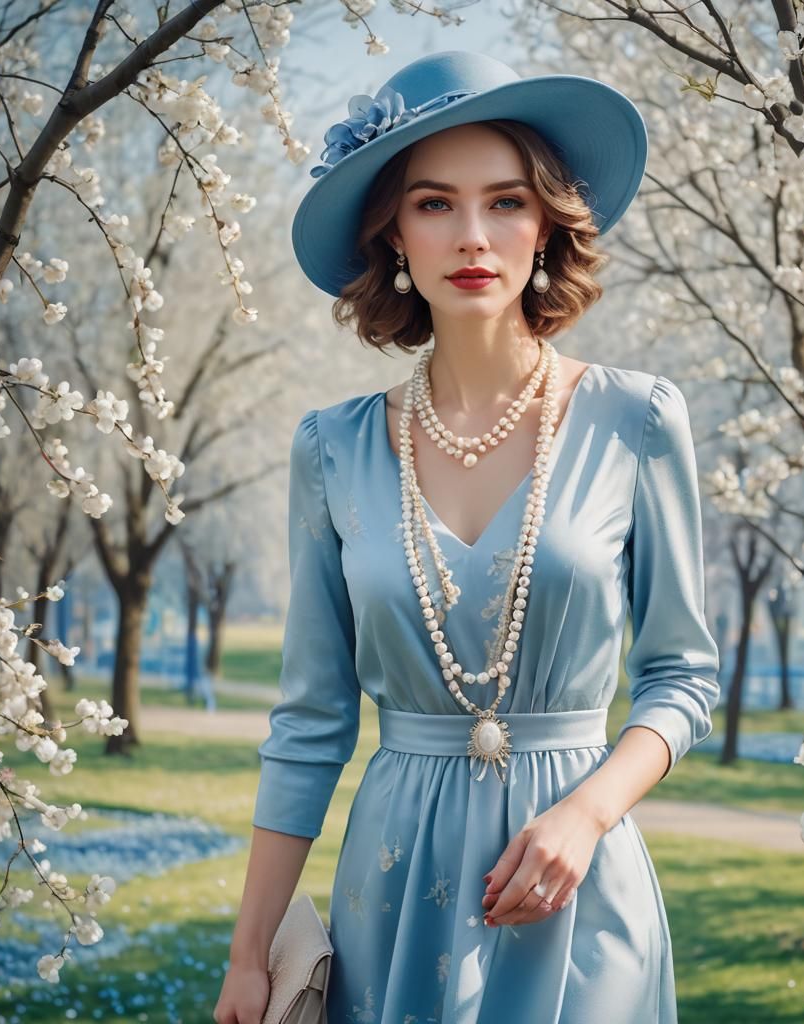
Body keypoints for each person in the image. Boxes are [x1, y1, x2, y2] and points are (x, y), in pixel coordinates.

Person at [214, 50, 720, 1024]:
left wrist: (588, 813)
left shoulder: (638, 418)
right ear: (394, 234)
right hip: (392, 884)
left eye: (506, 201)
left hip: (578, 885)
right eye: (435, 203)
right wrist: (248, 955)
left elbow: (683, 677)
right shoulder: (332, 447)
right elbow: (310, 721)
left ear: (548, 225)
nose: (473, 235)